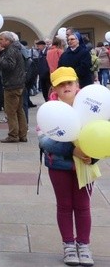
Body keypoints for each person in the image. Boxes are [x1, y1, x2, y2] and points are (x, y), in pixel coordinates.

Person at [38, 67, 95, 267]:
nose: (66, 87)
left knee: (83, 206)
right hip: (59, 165)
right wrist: (73, 150)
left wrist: (92, 157)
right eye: (62, 84)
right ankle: (69, 245)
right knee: (64, 205)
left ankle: (84, 245)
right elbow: (44, 141)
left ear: (77, 84)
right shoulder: (49, 109)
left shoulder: (89, 106)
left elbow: (100, 136)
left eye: (70, 83)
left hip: (85, 165)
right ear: (55, 87)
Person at [0, 32, 27, 143]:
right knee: (19, 110)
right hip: (19, 84)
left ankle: (13, 135)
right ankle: (22, 134)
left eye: (1, 39)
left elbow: (9, 66)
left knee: (10, 111)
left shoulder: (11, 50)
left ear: (8, 41)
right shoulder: (15, 49)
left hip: (12, 85)